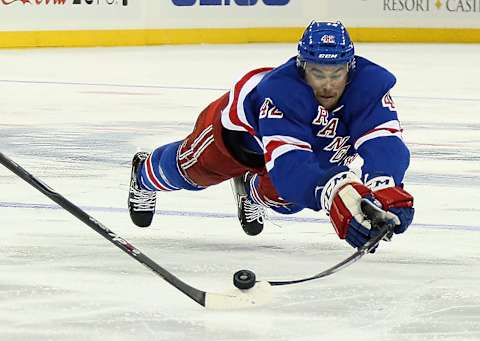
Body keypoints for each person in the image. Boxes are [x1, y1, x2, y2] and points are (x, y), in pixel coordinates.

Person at [127, 21, 414, 250]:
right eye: (317, 73)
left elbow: (384, 142)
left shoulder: (369, 89)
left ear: (350, 68)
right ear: (302, 68)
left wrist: (385, 186)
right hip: (238, 142)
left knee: (289, 201)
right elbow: (291, 168)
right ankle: (144, 175)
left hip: (307, 148)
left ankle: (251, 191)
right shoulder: (280, 95)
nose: (327, 85)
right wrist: (335, 190)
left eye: (336, 73)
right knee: (190, 174)